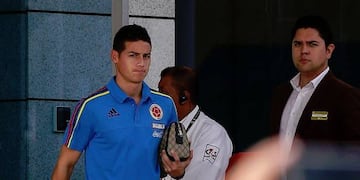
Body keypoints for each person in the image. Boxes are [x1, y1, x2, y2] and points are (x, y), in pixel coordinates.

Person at [51, 24, 191, 180]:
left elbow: (171, 164)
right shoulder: (91, 107)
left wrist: (178, 171)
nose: (141, 63)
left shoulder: (165, 104)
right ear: (115, 57)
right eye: (133, 55)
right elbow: (65, 165)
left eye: (146, 56)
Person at [270, 15, 360, 157]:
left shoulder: (346, 96)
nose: (304, 50)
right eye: (297, 44)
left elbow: (354, 157)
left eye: (312, 44)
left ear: (329, 51)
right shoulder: (281, 94)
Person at [158, 66, 233, 180]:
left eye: (164, 93)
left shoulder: (213, 133)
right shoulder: (158, 126)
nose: (158, 99)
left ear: (184, 97)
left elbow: (203, 176)